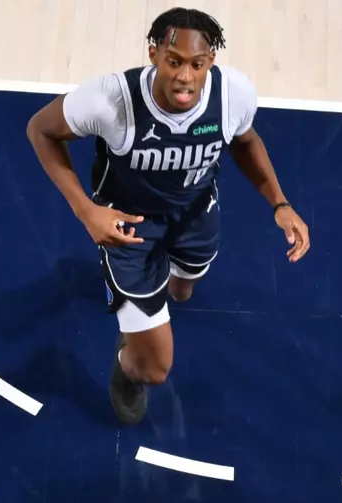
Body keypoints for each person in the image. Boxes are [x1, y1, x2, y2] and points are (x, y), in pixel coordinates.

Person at [25, 7, 311, 425]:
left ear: (210, 61)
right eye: (174, 61)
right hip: (129, 229)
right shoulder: (110, 100)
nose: (185, 76)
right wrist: (87, 211)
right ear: (154, 54)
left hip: (195, 215)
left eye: (197, 64)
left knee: (182, 293)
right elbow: (40, 129)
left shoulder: (233, 93)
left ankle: (145, 315)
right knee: (156, 369)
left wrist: (280, 204)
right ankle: (128, 366)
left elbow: (244, 142)